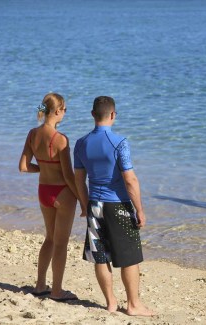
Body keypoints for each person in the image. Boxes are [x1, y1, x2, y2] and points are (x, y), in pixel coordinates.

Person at [73, 96, 154, 316]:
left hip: (95, 206)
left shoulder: (81, 143)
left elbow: (78, 180)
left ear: (92, 115)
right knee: (129, 258)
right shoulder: (119, 142)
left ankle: (110, 302)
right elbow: (130, 180)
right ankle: (133, 304)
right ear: (113, 115)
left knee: (100, 256)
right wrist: (140, 210)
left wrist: (84, 205)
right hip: (118, 205)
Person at [18, 93, 80, 301]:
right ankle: (57, 290)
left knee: (50, 239)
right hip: (62, 193)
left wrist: (43, 167)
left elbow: (24, 167)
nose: (65, 113)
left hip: (43, 191)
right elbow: (69, 175)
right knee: (61, 243)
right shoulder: (61, 140)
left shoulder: (32, 134)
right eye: (64, 109)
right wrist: (83, 198)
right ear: (57, 111)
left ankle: (39, 285)